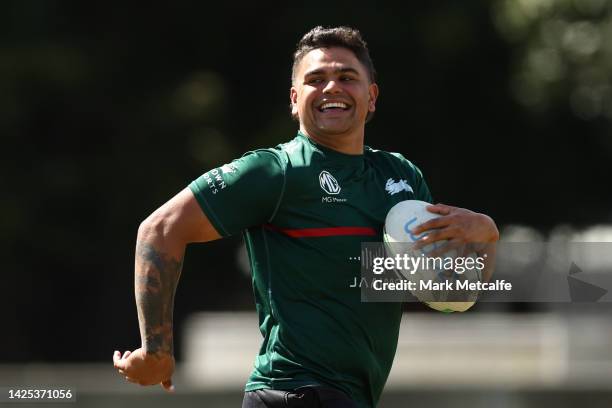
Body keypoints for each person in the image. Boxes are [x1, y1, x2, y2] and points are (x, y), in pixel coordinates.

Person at [113, 26, 499, 408]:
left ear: (372, 97)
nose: (332, 87)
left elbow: (449, 296)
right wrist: (156, 349)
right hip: (294, 392)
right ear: (295, 100)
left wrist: (486, 237)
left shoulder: (400, 177)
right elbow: (160, 229)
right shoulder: (275, 172)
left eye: (347, 77)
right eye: (316, 79)